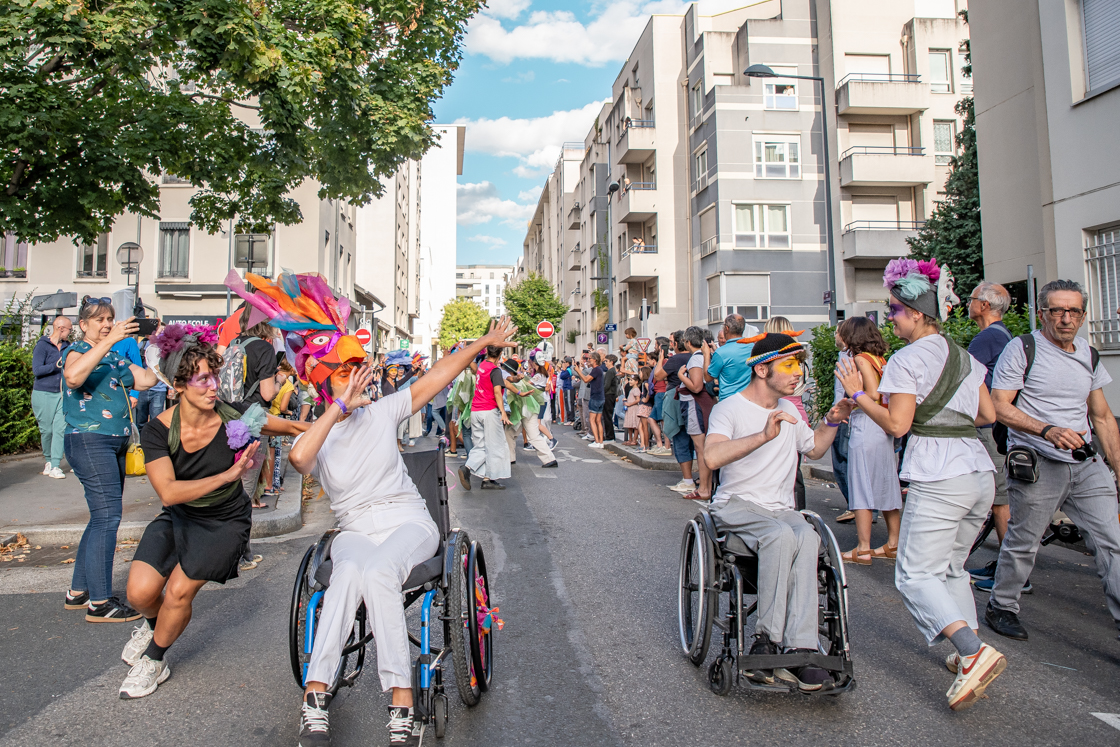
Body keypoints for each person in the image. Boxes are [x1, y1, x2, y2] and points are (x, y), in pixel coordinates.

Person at [289, 318, 519, 746]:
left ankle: (401, 701)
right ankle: (315, 695)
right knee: (346, 575)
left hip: (408, 523)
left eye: (359, 368)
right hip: (355, 529)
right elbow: (300, 460)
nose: (357, 377)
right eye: (344, 371)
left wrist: (482, 342)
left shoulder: (383, 411)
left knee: (375, 572)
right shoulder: (317, 434)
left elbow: (437, 376)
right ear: (323, 382)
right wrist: (338, 408)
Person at [836, 257, 1005, 711]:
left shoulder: (907, 360)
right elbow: (988, 416)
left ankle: (972, 653)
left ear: (915, 313)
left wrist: (856, 396)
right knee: (951, 568)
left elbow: (896, 424)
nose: (889, 318)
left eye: (893, 310)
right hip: (978, 474)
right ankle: (964, 650)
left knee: (913, 574)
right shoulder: (966, 357)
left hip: (939, 472)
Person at [117, 326, 308, 698]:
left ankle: (154, 660)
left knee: (177, 593)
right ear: (178, 384)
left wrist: (339, 419)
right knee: (140, 594)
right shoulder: (157, 431)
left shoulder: (234, 414)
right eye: (203, 379)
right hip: (180, 514)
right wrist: (229, 473)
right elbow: (169, 493)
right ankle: (155, 626)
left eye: (214, 376)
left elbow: (288, 425)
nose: (213, 386)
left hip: (224, 521)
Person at [704, 332, 855, 692]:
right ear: (762, 370)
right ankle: (766, 640)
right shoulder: (730, 408)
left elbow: (815, 448)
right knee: (781, 534)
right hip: (739, 503)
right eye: (788, 366)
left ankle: (801, 647)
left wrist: (832, 420)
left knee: (806, 535)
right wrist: (762, 436)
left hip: (781, 508)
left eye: (797, 365)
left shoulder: (789, 409)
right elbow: (711, 458)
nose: (796, 373)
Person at [985, 279, 1120, 642]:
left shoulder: (1088, 355)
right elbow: (999, 405)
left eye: (1073, 311)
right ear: (1042, 313)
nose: (1065, 318)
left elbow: (1103, 417)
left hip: (1085, 464)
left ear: (1083, 315)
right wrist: (1047, 430)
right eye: (1057, 310)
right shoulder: (1022, 348)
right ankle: (1002, 605)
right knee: (1024, 540)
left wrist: (1119, 472)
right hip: (1039, 461)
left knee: (1112, 541)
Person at [62, 297, 158, 621]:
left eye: (110, 319)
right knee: (107, 518)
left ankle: (78, 591)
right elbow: (74, 377)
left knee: (99, 517)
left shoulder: (115, 357)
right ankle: (100, 604)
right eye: (100, 320)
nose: (106, 324)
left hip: (114, 443)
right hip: (89, 441)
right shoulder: (76, 351)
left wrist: (159, 352)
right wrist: (110, 342)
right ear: (84, 325)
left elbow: (146, 381)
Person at [834, 317, 901, 564]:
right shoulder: (879, 359)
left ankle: (863, 548)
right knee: (886, 482)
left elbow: (871, 393)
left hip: (866, 422)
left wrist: (853, 398)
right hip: (881, 424)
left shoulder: (860, 359)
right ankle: (893, 543)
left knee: (860, 482)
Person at [962, 282, 1015, 586]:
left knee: (1000, 498)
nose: (968, 304)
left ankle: (1010, 575)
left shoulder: (987, 338)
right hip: (995, 425)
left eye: (971, 300)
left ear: (983, 305)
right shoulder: (1003, 335)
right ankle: (1005, 567)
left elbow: (965, 380)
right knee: (998, 495)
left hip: (986, 425)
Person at [459, 345, 516, 489]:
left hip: (475, 410)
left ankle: (486, 478)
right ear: (501, 354)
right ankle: (470, 469)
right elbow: (497, 392)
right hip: (489, 410)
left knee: (481, 445)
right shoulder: (495, 370)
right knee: (495, 445)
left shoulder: (482, 365)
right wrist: (503, 411)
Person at [656, 332, 698, 494]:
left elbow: (659, 376)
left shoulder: (676, 359)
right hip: (695, 401)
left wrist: (661, 358)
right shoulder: (696, 357)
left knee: (679, 438)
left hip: (677, 400)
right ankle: (701, 479)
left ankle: (687, 480)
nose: (670, 345)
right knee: (695, 440)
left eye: (672, 342)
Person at [32, 315, 72, 479]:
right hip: (43, 393)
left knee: (59, 429)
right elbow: (37, 370)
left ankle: (55, 465)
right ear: (60, 328)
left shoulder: (68, 346)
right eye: (69, 329)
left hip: (62, 394)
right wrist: (55, 366)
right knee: (47, 430)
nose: (70, 332)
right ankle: (48, 460)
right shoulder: (42, 346)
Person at [677, 327, 715, 501]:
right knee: (704, 447)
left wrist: (681, 376)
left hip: (695, 405)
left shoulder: (695, 359)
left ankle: (704, 488)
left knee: (701, 448)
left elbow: (697, 386)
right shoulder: (706, 356)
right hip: (706, 405)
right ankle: (707, 485)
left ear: (688, 342)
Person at [705, 314, 759, 400]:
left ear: (726, 328)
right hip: (750, 399)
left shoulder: (721, 352)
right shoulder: (753, 348)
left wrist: (706, 354)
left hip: (728, 400)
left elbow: (708, 378)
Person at [832, 329, 855, 524]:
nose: (835, 335)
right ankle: (861, 507)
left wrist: (841, 410)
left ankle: (855, 506)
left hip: (845, 415)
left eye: (838, 332)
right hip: (845, 412)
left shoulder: (850, 357)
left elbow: (846, 388)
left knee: (842, 461)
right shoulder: (848, 355)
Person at [571, 352, 607, 447]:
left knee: (592, 420)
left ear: (595, 360)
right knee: (598, 421)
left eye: (590, 358)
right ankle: (600, 442)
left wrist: (578, 371)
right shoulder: (599, 370)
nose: (588, 360)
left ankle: (597, 441)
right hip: (601, 397)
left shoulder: (596, 370)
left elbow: (586, 379)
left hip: (595, 397)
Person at [603, 354, 619, 442]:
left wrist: (602, 391)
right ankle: (610, 435)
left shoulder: (610, 371)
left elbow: (607, 385)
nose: (605, 363)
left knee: (607, 416)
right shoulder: (613, 371)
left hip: (609, 395)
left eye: (606, 361)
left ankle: (610, 436)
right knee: (608, 415)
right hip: (611, 394)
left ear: (611, 362)